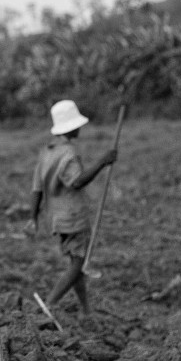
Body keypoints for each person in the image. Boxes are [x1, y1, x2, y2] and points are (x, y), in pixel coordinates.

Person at [27, 100, 117, 313]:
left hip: (56, 219)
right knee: (78, 265)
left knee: (77, 263)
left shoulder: (47, 152)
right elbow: (76, 181)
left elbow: (37, 188)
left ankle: (86, 309)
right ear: (71, 127)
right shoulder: (68, 154)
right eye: (77, 125)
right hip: (73, 219)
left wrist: (33, 217)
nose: (80, 128)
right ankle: (49, 304)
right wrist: (103, 162)